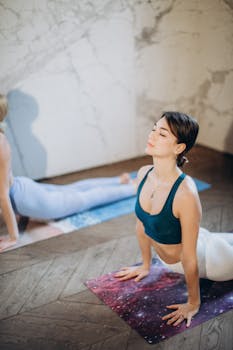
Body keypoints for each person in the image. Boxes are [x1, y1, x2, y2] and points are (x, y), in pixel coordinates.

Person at [115, 111, 233, 327]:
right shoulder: (143, 173)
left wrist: (193, 303)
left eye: (162, 134)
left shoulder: (185, 193)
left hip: (211, 260)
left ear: (179, 147)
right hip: (196, 243)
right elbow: (142, 225)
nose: (151, 135)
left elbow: (189, 258)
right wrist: (145, 266)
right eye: (153, 129)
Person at [0, 94, 136, 252]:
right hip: (24, 191)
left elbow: (3, 196)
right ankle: (118, 181)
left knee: (85, 198)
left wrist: (13, 237)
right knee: (74, 189)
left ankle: (133, 188)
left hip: (32, 199)